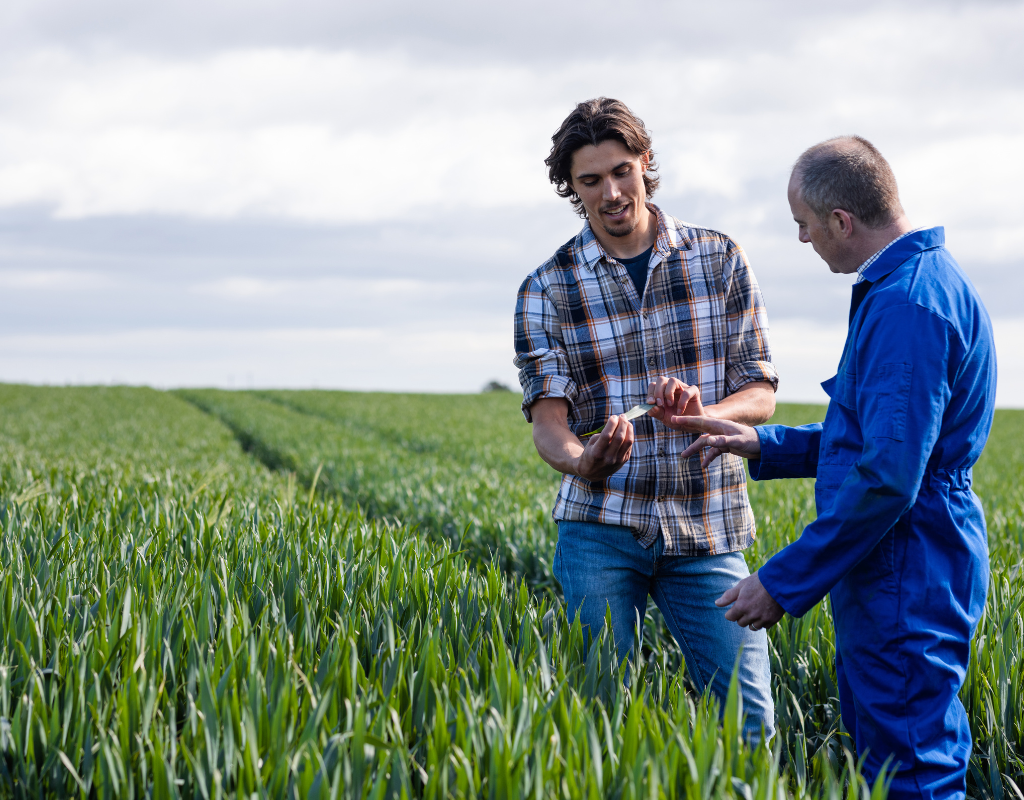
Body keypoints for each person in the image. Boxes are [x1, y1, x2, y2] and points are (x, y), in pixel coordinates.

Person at [673, 136, 997, 800]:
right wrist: (762, 443)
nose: (802, 239)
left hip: (907, 564)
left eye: (805, 224)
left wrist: (781, 582)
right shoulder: (921, 282)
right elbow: (876, 439)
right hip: (905, 561)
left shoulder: (908, 305)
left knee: (911, 773)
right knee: (889, 759)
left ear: (842, 221)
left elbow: (889, 476)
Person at [513, 97, 778, 740]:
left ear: (645, 163)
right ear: (571, 187)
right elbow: (549, 421)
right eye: (590, 180)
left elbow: (760, 389)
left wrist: (706, 416)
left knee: (749, 723)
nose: (610, 193)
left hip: (707, 524)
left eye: (621, 171)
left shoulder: (719, 257)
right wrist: (583, 461)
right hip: (600, 528)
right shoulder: (546, 288)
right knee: (598, 722)